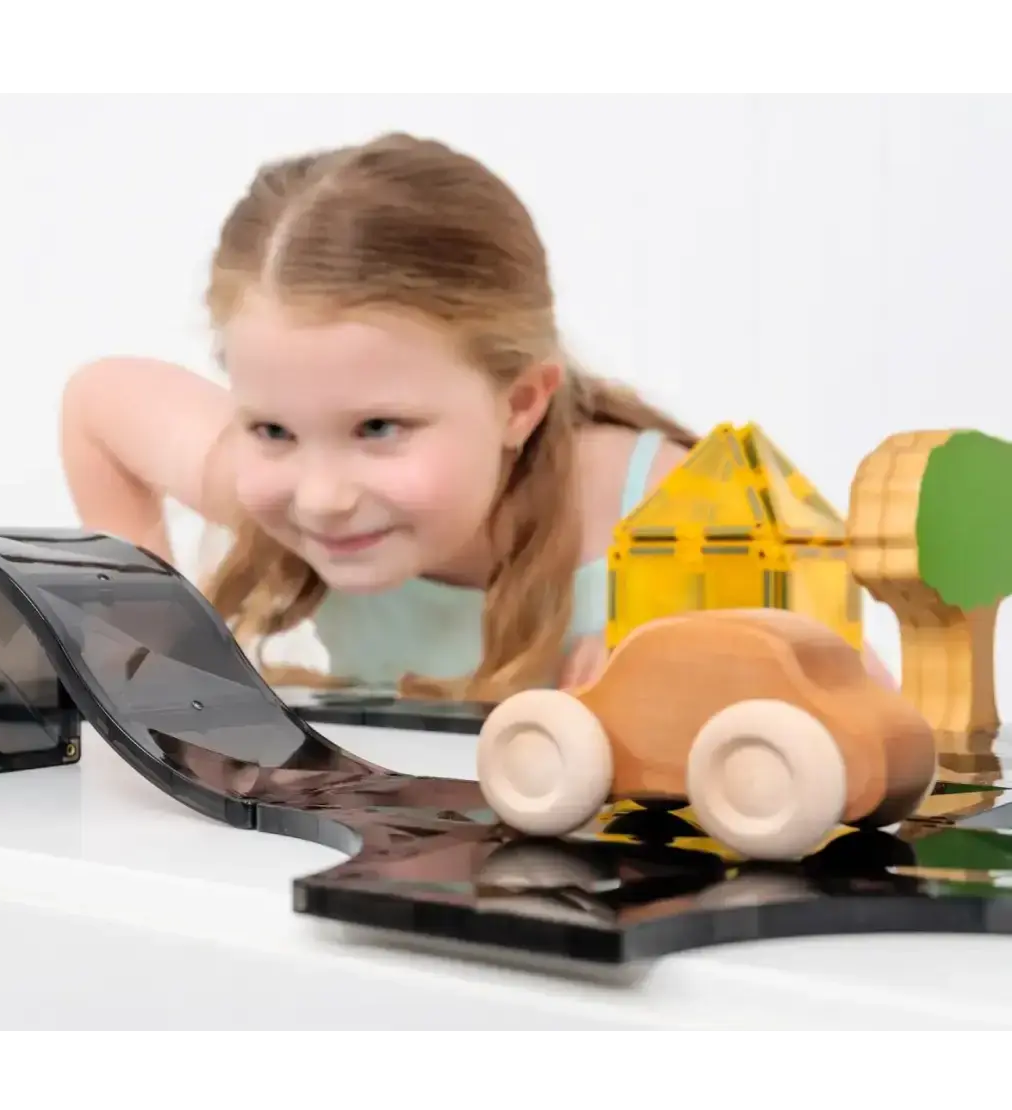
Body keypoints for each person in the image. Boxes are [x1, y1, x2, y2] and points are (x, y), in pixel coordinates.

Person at [59, 131, 888, 700]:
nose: (320, 496)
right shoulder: (275, 489)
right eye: (272, 428)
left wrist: (712, 675)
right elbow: (98, 403)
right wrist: (146, 660)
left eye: (379, 429)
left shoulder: (674, 510)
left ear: (519, 402)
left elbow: (883, 727)